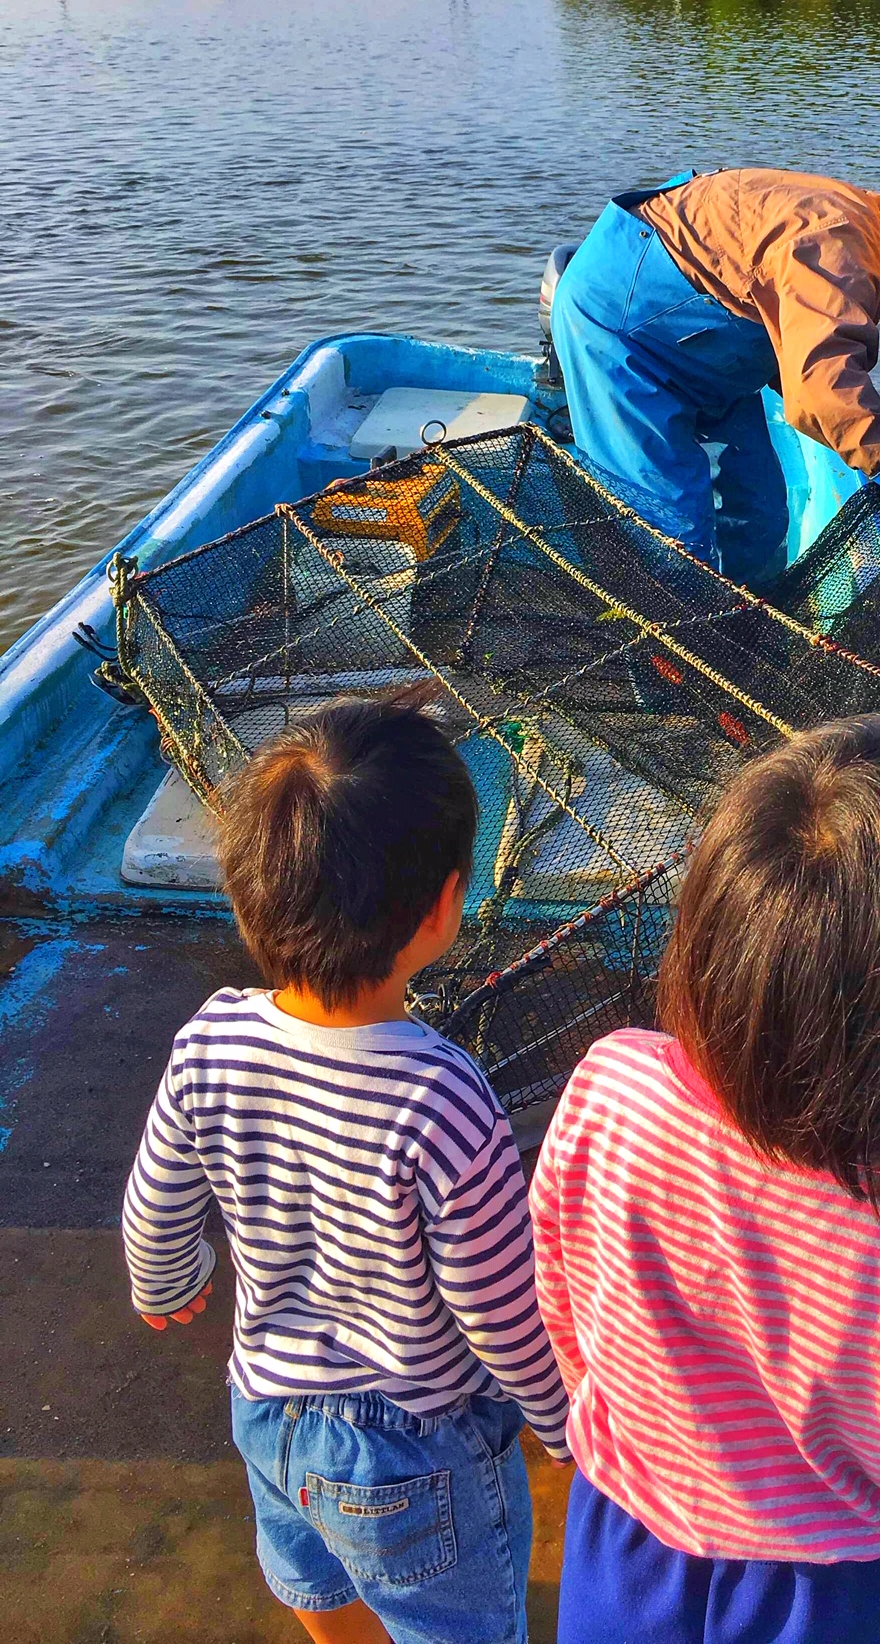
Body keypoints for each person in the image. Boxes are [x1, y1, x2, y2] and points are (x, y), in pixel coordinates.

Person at [530, 705, 880, 1644]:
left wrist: (589, 1417)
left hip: (623, 1547)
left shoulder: (611, 1086)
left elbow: (563, 1289)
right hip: (835, 1598)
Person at [122, 691, 569, 1644]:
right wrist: (565, 1423)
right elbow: (498, 1309)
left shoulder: (211, 1041)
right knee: (457, 1624)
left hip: (269, 1410)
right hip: (414, 1447)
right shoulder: (445, 1099)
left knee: (316, 1586)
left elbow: (156, 1204)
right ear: (443, 905)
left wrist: (167, 1282)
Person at [550, 128, 880, 589]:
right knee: (670, 534)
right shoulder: (840, 248)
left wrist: (879, 459)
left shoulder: (861, 237)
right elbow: (821, 390)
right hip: (622, 324)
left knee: (761, 512)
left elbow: (813, 365)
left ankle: (742, 623)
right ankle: (664, 661)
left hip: (709, 351)